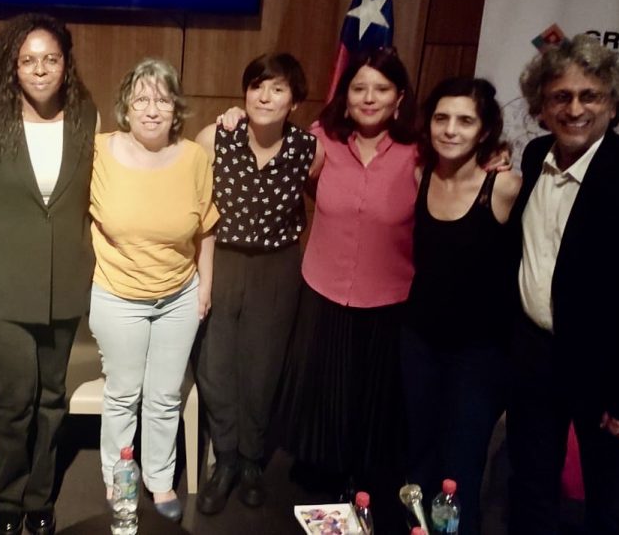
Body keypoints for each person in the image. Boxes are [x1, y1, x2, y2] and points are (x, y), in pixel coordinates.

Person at [507, 35, 619, 535]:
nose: (575, 108)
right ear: (541, 106)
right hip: (534, 359)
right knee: (529, 486)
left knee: (608, 500)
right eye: (560, 97)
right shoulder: (534, 158)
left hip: (609, 374)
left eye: (590, 96)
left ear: (613, 104)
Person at [274, 46, 418, 531]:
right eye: (359, 88)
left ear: (399, 97)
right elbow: (288, 165)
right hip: (325, 287)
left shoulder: (420, 151)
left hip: (389, 297)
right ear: (346, 95)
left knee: (373, 400)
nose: (369, 98)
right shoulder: (323, 140)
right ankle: (330, 477)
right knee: (326, 391)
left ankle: (365, 481)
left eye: (381, 89)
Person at [0, 14, 98, 535]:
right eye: (28, 60)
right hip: (1, 286)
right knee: (15, 398)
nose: (40, 69)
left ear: (66, 64)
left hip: (64, 283)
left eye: (51, 58)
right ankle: (6, 498)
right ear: (12, 67)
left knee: (51, 397)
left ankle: (40, 496)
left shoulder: (87, 118)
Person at [88, 58, 218, 523]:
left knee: (164, 395)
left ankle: (159, 478)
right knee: (123, 393)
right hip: (118, 294)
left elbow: (207, 228)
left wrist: (204, 285)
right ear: (125, 105)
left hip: (179, 297)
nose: (151, 109)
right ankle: (117, 473)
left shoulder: (194, 158)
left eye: (162, 99)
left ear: (175, 107)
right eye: (141, 98)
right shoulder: (99, 151)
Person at [192, 53, 319, 514]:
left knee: (263, 368)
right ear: (244, 94)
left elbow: (334, 202)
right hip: (222, 260)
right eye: (257, 86)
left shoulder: (310, 149)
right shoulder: (215, 137)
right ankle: (224, 459)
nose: (265, 96)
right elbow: (194, 204)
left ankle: (251, 460)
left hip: (277, 267)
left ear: (295, 101)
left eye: (278, 88)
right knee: (216, 363)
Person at [401, 77, 521, 535]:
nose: (450, 130)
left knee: (461, 465)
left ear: (485, 131)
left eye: (465, 121)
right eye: (441, 118)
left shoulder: (506, 185)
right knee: (419, 454)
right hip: (419, 341)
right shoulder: (420, 175)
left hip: (480, 354)